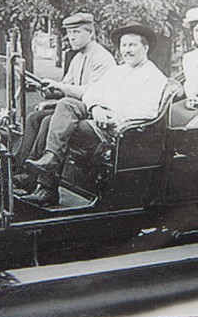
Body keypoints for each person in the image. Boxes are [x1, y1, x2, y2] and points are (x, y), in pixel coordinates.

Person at [23, 21, 168, 206]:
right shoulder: (117, 71)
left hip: (117, 128)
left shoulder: (153, 76)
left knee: (54, 123)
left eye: (132, 45)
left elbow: (148, 109)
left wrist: (113, 115)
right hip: (97, 116)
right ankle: (49, 162)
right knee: (65, 105)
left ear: (145, 47)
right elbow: (92, 93)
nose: (127, 50)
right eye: (124, 45)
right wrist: (96, 108)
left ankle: (46, 186)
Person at [13, 12, 116, 188]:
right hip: (74, 108)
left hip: (94, 109)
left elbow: (92, 92)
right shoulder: (78, 57)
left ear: (91, 33)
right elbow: (65, 86)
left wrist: (60, 87)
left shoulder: (102, 58)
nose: (72, 37)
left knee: (47, 120)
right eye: (69, 33)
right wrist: (48, 89)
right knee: (34, 117)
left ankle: (35, 175)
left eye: (77, 32)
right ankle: (20, 168)